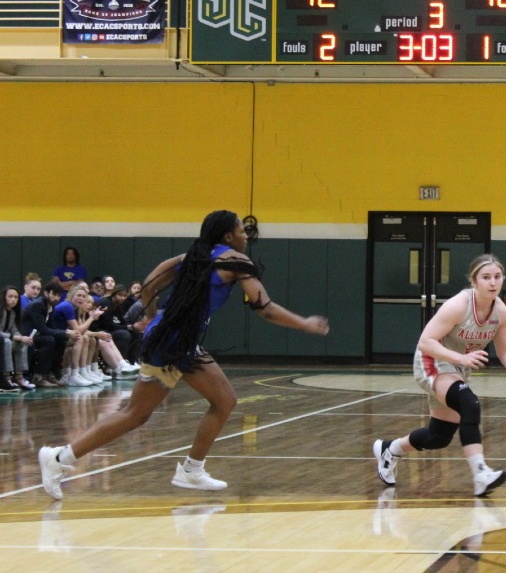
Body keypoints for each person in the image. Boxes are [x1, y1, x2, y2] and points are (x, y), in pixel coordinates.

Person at [38, 210, 330, 500]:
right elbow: (263, 307)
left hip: (171, 337)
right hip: (176, 341)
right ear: (228, 235)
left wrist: (154, 322)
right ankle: (188, 469)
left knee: (138, 414)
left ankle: (61, 458)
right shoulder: (236, 260)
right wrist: (303, 323)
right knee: (216, 402)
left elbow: (150, 285)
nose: (245, 236)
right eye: (242, 231)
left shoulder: (191, 256)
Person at [373, 254, 506, 497]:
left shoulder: (501, 313)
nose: (493, 283)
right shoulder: (459, 305)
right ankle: (480, 474)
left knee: (439, 436)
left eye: (497, 277)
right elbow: (425, 341)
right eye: (486, 277)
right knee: (469, 403)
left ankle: (390, 449)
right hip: (433, 359)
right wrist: (460, 359)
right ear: (473, 281)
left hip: (457, 366)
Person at [20, 282, 73, 388]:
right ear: (46, 293)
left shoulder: (50, 307)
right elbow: (43, 329)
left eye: (59, 295)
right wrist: (66, 333)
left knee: (60, 339)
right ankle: (38, 376)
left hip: (37, 335)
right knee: (49, 340)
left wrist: (66, 333)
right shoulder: (38, 305)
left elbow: (52, 328)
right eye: (54, 294)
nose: (57, 298)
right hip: (26, 336)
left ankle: (52, 373)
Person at [1, 286, 37, 391]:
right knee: (7, 342)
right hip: (3, 340)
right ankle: (7, 377)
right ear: (4, 297)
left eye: (16, 297)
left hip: (7, 339)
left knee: (22, 343)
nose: (13, 299)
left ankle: (19, 377)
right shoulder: (0, 310)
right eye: (10, 296)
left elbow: (14, 329)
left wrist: (22, 337)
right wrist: (14, 337)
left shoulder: (13, 312)